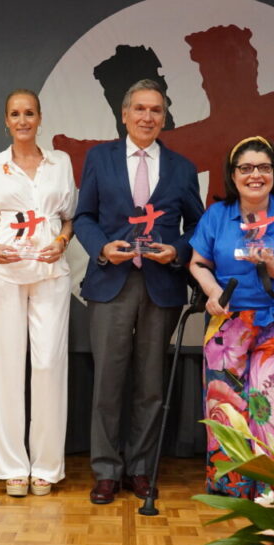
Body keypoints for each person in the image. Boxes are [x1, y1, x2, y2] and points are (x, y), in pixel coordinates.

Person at [74, 79, 204, 505]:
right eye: (141, 109)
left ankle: (142, 468)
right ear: (125, 114)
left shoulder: (182, 167)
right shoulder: (100, 157)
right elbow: (84, 217)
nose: (148, 117)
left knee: (150, 383)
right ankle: (106, 471)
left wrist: (177, 252)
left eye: (156, 111)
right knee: (108, 383)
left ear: (164, 118)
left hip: (160, 285)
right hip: (112, 281)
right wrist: (101, 249)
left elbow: (198, 226)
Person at [189, 136, 274, 498]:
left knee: (270, 405)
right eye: (245, 168)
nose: (255, 175)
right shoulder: (218, 214)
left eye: (263, 167)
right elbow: (197, 263)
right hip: (227, 322)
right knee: (224, 405)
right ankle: (230, 485)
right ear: (233, 175)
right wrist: (213, 291)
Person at [0, 89, 75, 497]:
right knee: (4, 367)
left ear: (40, 118)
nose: (22, 120)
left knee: (48, 365)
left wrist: (63, 241)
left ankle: (47, 466)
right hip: (4, 274)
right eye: (15, 114)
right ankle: (11, 466)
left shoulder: (60, 163)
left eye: (29, 113)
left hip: (50, 272)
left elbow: (68, 219)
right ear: (6, 120)